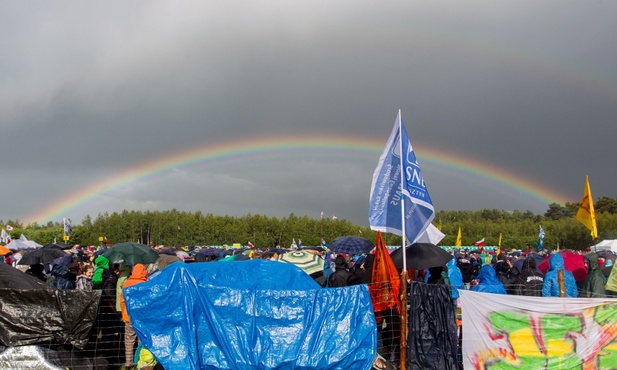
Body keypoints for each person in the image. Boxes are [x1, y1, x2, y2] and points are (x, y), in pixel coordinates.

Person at [120, 264, 148, 369]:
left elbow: (122, 300)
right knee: (141, 341)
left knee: (128, 341)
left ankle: (128, 363)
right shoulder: (145, 284)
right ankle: (141, 361)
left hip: (128, 317)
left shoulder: (127, 283)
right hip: (141, 318)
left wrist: (124, 313)